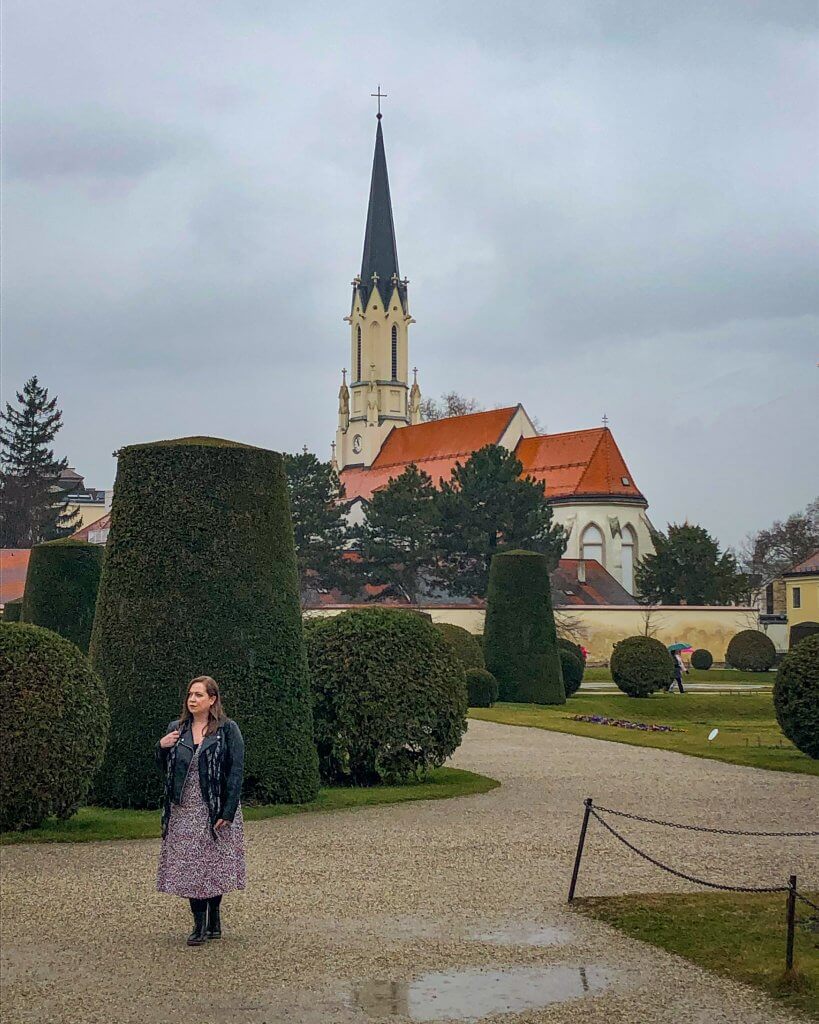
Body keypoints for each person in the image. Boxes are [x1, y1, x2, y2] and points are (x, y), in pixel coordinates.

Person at [156, 675, 246, 946]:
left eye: (198, 695)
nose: (192, 700)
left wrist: (227, 811)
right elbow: (167, 770)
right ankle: (198, 925)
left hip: (214, 807)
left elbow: (236, 771)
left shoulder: (227, 729)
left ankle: (214, 917)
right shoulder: (177, 729)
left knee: (213, 866)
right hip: (184, 810)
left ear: (212, 699)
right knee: (191, 868)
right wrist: (160, 748)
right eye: (190, 695)